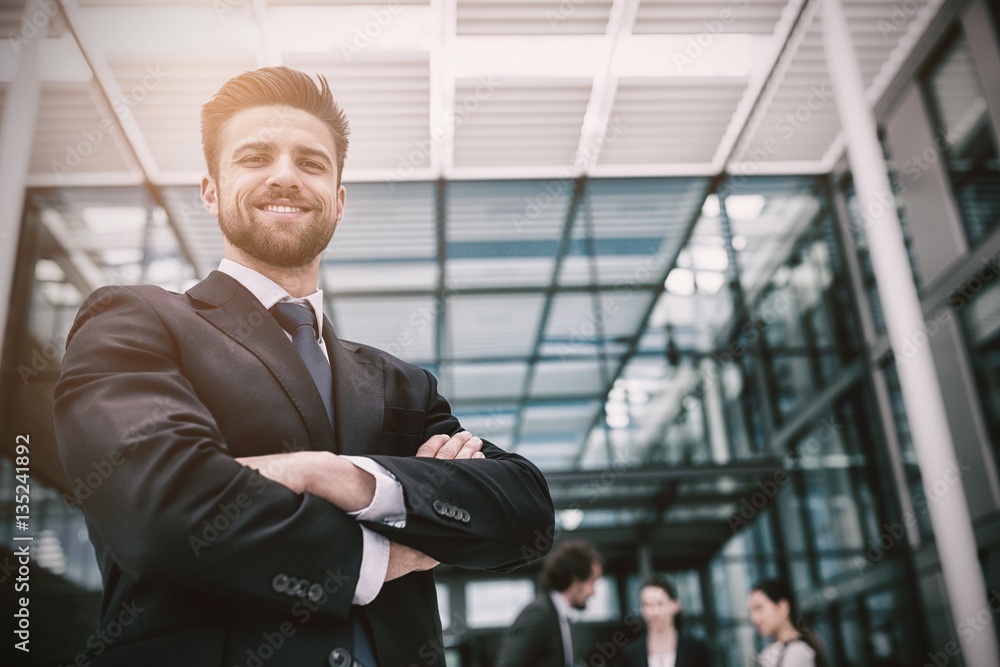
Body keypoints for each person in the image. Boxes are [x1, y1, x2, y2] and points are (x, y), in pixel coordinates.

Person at [53, 66, 555, 667]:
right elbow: (160, 504)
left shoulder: (402, 385)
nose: (286, 176)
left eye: (312, 163)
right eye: (256, 157)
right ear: (210, 190)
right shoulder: (134, 321)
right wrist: (387, 551)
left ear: (338, 202)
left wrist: (340, 477)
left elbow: (525, 513)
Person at [495, 539, 603, 667]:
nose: (593, 592)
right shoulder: (539, 614)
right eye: (592, 582)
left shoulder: (562, 617)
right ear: (575, 581)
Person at [621, 577, 709, 667]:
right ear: (642, 610)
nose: (654, 611)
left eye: (660, 603)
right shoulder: (631, 653)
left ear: (675, 605)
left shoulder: (694, 648)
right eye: (647, 604)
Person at [748, 579, 829, 667]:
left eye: (759, 608)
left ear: (783, 607)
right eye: (751, 611)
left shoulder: (797, 652)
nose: (754, 618)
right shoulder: (772, 650)